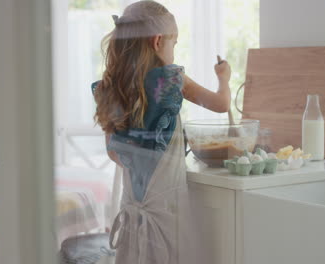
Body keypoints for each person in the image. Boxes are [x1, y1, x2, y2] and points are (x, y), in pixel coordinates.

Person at [92, 1, 231, 263]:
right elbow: (221, 104)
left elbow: (113, 153)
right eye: (174, 44)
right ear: (158, 42)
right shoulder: (170, 81)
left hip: (132, 209)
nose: (173, 52)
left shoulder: (109, 86)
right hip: (167, 212)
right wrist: (224, 77)